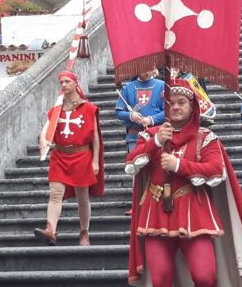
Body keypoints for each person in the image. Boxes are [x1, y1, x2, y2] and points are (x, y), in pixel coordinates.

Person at [126, 77, 242, 287]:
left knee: (205, 275)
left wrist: (180, 166)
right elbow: (132, 161)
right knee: (159, 279)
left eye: (182, 102)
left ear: (193, 106)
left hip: (194, 209)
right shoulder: (151, 135)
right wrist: (155, 141)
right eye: (171, 103)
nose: (176, 107)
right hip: (156, 212)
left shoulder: (207, 137)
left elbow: (216, 170)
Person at [35, 71, 104, 247]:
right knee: (55, 194)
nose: (63, 85)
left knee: (82, 197)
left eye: (67, 81)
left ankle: (84, 233)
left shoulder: (89, 108)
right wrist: (43, 139)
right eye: (61, 82)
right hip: (60, 155)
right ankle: (51, 230)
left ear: (75, 83)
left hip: (81, 155)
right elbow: (47, 127)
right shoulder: (57, 109)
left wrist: (95, 161)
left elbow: (95, 138)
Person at [116, 69, 165, 153]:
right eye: (143, 67)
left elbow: (168, 111)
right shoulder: (127, 88)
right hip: (134, 137)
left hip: (157, 136)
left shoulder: (162, 85)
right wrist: (131, 116)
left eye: (148, 67)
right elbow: (119, 112)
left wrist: (151, 120)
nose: (146, 71)